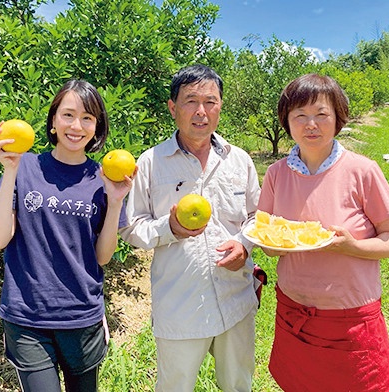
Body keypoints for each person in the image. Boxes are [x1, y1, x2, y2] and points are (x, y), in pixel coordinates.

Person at [257, 73, 389, 391]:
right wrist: (278, 244)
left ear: (338, 117)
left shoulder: (362, 171)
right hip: (294, 311)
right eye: (300, 115)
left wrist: (350, 247)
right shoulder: (275, 174)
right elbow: (267, 239)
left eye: (321, 114)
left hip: (349, 318)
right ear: (286, 121)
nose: (311, 124)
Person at [119, 64, 261, 392]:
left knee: (238, 384)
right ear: (173, 107)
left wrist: (244, 244)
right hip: (180, 305)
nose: (201, 111)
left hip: (235, 300)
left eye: (210, 101)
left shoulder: (239, 160)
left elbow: (257, 216)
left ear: (220, 106)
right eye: (190, 101)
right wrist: (169, 228)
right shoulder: (151, 163)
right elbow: (132, 227)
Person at [0, 79, 134, 392]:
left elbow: (103, 257)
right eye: (68, 115)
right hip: (27, 316)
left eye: (87, 118)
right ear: (53, 120)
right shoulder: (24, 165)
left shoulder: (105, 177)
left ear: (97, 126)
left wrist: (116, 200)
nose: (76, 126)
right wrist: (9, 171)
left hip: (81, 315)